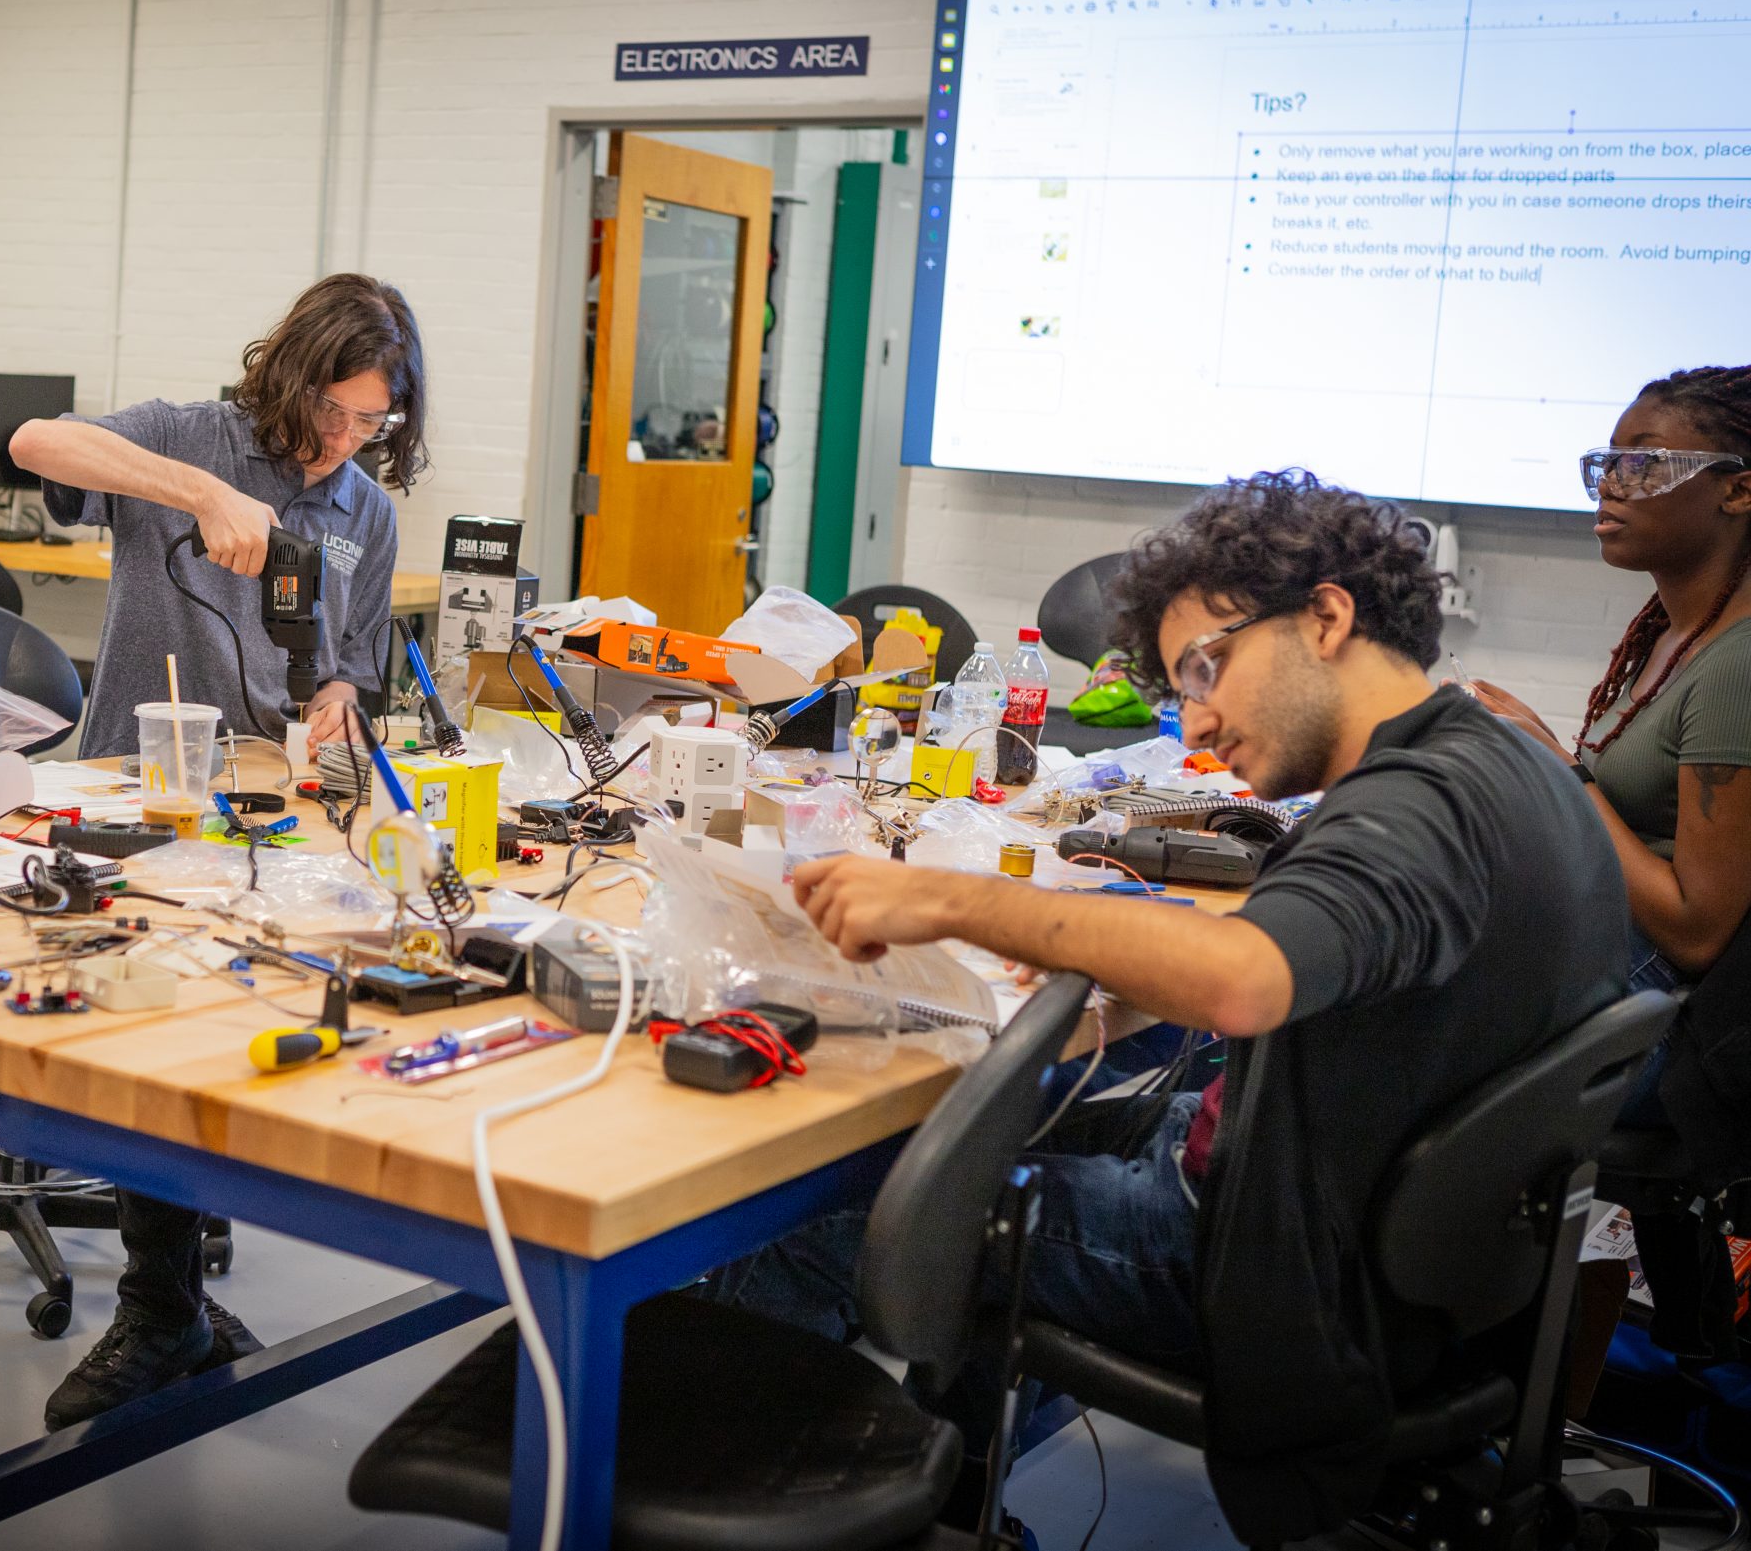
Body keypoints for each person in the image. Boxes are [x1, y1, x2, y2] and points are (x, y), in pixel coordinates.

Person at [708, 471, 1627, 1546]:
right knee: (980, 1129)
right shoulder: (1503, 758)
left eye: (1208, 665)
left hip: (1272, 1270)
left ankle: (712, 1501)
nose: (1193, 715)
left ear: (1326, 617)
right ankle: (947, 1499)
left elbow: (1241, 978)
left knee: (821, 1207)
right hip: (1387, 1249)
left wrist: (953, 897)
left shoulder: (1414, 810)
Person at [6, 274, 427, 1430]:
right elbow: (36, 439)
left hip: (269, 814)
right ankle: (159, 1306)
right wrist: (192, 489)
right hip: (133, 800)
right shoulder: (192, 437)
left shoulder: (364, 513)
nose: (343, 441)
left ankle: (174, 1292)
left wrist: (338, 704)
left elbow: (351, 665)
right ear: (286, 377)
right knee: (151, 1035)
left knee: (226, 1025)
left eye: (370, 423)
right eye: (331, 412)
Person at [1473, 366, 1751, 1355]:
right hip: (1610, 981)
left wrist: (1553, 768)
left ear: (1737, 486)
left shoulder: (1737, 666)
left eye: (1645, 462)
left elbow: (1697, 924)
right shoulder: (1675, 635)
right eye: (1605, 460)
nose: (1611, 484)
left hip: (1663, 1027)